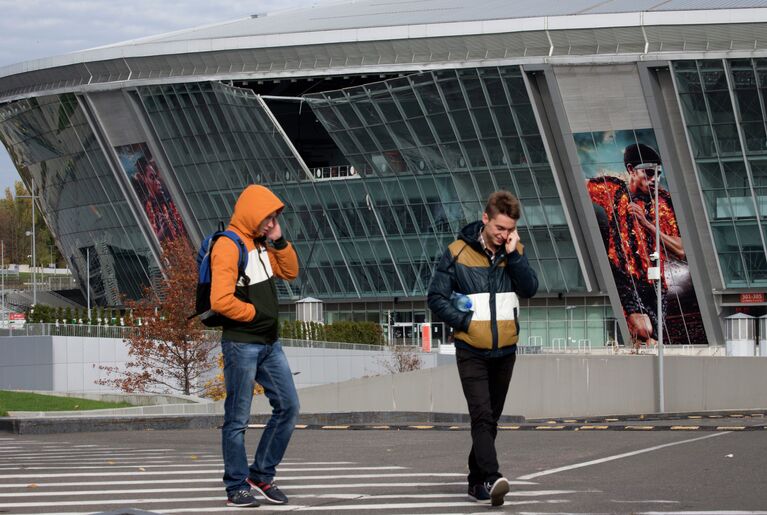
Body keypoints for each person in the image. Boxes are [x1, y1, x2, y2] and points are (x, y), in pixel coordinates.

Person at [427, 190, 538, 507]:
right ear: (486, 219)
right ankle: (491, 476)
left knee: (491, 420)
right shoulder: (457, 253)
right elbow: (435, 298)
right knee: (481, 416)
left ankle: (476, 481)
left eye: (510, 229)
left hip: (505, 351)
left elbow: (529, 288)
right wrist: (463, 323)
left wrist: (515, 254)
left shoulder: (513, 252)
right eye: (500, 228)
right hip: (471, 350)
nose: (504, 235)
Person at [210, 184, 300, 508]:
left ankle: (260, 474)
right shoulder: (229, 246)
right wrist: (253, 314)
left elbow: (291, 271)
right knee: (237, 419)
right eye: (267, 218)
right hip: (242, 345)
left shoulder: (262, 245)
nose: (270, 223)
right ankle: (236, 486)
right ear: (252, 214)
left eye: (274, 218)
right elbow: (220, 300)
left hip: (269, 344)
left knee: (289, 407)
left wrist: (278, 239)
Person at [586, 143, 684, 350]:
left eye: (658, 174)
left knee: (654, 341)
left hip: (656, 283)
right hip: (624, 276)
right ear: (631, 170)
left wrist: (648, 226)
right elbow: (576, 185)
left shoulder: (663, 203)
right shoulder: (613, 191)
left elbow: (682, 250)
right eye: (649, 173)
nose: (654, 180)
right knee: (643, 330)